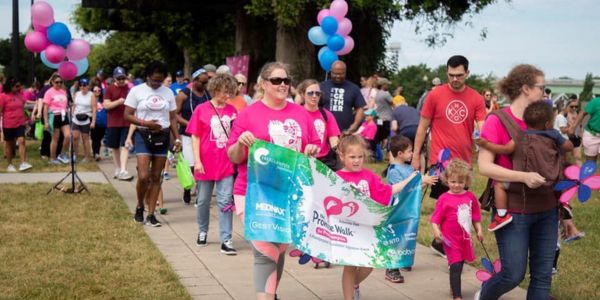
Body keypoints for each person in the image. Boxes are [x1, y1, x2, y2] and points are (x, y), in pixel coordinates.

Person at [226, 62, 320, 300]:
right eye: (277, 81)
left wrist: (310, 150)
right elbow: (233, 157)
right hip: (253, 192)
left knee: (277, 249)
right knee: (265, 250)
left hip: (289, 193)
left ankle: (271, 293)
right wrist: (241, 143)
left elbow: (309, 151)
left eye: (286, 81)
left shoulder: (300, 114)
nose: (283, 85)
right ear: (264, 84)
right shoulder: (248, 114)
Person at [476, 64, 558, 300]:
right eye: (541, 88)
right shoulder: (498, 120)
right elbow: (485, 166)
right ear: (525, 89)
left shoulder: (543, 121)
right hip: (513, 211)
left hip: (546, 209)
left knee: (543, 277)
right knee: (512, 274)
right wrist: (523, 177)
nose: (544, 93)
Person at [335, 134, 416, 300]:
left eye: (360, 157)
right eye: (352, 157)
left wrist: (410, 180)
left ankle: (354, 284)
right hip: (347, 231)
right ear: (342, 156)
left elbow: (388, 190)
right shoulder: (336, 178)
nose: (357, 161)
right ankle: (349, 297)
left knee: (370, 264)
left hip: (367, 230)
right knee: (350, 266)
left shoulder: (369, 176)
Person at [478, 101, 573, 233]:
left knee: (499, 184)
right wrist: (570, 141)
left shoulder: (519, 134)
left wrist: (486, 144)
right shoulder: (554, 134)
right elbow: (567, 147)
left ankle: (501, 215)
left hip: (527, 179)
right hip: (550, 176)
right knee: (562, 178)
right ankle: (564, 203)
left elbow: (505, 149)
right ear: (547, 124)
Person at [124, 61, 182, 227]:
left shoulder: (168, 92)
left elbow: (172, 117)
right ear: (147, 77)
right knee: (143, 176)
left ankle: (151, 214)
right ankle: (140, 205)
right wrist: (145, 123)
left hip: (162, 136)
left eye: (160, 80)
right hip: (143, 135)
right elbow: (127, 115)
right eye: (154, 80)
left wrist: (176, 137)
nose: (157, 84)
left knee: (157, 177)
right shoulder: (136, 91)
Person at [187, 73, 238, 255]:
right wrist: (197, 160)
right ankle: (202, 230)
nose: (227, 96)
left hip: (226, 162)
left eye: (230, 93)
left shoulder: (233, 111)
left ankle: (226, 239)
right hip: (206, 162)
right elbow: (195, 136)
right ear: (215, 90)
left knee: (225, 200)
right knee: (202, 201)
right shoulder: (201, 109)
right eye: (225, 92)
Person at [383, 135, 438, 283]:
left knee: (407, 235)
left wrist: (427, 179)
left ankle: (403, 260)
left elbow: (416, 186)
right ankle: (391, 269)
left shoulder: (408, 168)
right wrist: (422, 181)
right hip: (397, 211)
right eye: (409, 151)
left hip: (408, 210)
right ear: (400, 154)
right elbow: (404, 190)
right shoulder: (394, 171)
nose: (412, 154)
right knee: (396, 239)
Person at [430, 159, 483, 300]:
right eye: (453, 182)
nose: (457, 185)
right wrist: (436, 231)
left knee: (459, 264)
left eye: (460, 182)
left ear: (466, 181)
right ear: (447, 180)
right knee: (456, 265)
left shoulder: (470, 197)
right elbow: (435, 219)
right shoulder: (444, 198)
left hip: (464, 238)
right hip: (450, 240)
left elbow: (475, 217)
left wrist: (479, 230)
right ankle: (457, 296)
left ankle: (454, 286)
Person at [176, 68, 211, 204]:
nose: (204, 85)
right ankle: (187, 187)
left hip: (204, 135)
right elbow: (175, 115)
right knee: (192, 164)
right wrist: (190, 124)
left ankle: (200, 195)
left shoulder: (208, 95)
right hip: (188, 134)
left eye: (206, 82)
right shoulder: (183, 95)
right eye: (202, 82)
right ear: (194, 80)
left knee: (202, 164)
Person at [297, 79, 340, 170]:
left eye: (317, 93)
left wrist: (344, 150)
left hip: (324, 161)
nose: (314, 96)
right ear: (302, 94)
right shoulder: (296, 114)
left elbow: (334, 141)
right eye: (310, 93)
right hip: (301, 159)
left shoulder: (326, 115)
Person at [104, 66, 134, 181]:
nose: (121, 80)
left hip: (126, 122)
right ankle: (118, 168)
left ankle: (123, 169)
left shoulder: (129, 89)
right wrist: (119, 101)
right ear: (114, 78)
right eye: (118, 78)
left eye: (123, 78)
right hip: (113, 122)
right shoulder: (109, 89)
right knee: (114, 147)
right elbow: (106, 105)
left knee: (125, 146)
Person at [320, 61, 366, 133]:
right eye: (335, 73)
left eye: (341, 74)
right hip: (324, 130)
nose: (338, 76)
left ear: (345, 72)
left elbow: (360, 108)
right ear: (331, 72)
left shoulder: (353, 88)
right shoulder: (321, 86)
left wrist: (356, 124)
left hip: (346, 132)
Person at [0, 78, 32, 171]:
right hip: (8, 123)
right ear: (10, 86)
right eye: (17, 86)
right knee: (10, 144)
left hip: (20, 123)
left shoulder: (20, 95)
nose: (19, 88)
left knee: (22, 141)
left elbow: (23, 105)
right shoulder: (3, 96)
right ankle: (10, 164)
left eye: (19, 86)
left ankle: (23, 163)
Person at [43, 74, 71, 165]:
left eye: (60, 82)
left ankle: (62, 154)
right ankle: (52, 158)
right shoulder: (49, 92)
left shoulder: (63, 91)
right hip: (54, 116)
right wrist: (46, 122)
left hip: (63, 115)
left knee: (68, 136)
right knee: (55, 138)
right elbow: (45, 108)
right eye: (56, 82)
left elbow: (66, 104)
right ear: (52, 82)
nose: (59, 84)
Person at [373, 77, 394, 148]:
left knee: (379, 134)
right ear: (383, 85)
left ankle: (378, 150)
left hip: (379, 118)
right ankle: (385, 150)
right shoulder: (386, 94)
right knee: (386, 135)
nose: (388, 86)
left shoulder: (377, 94)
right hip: (387, 118)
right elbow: (393, 104)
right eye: (387, 85)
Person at [90, 84, 107, 161]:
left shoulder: (103, 100)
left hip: (103, 122)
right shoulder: (90, 100)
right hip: (94, 121)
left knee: (99, 138)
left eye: (99, 90)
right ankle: (96, 153)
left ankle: (96, 152)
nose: (97, 92)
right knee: (95, 138)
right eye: (95, 91)